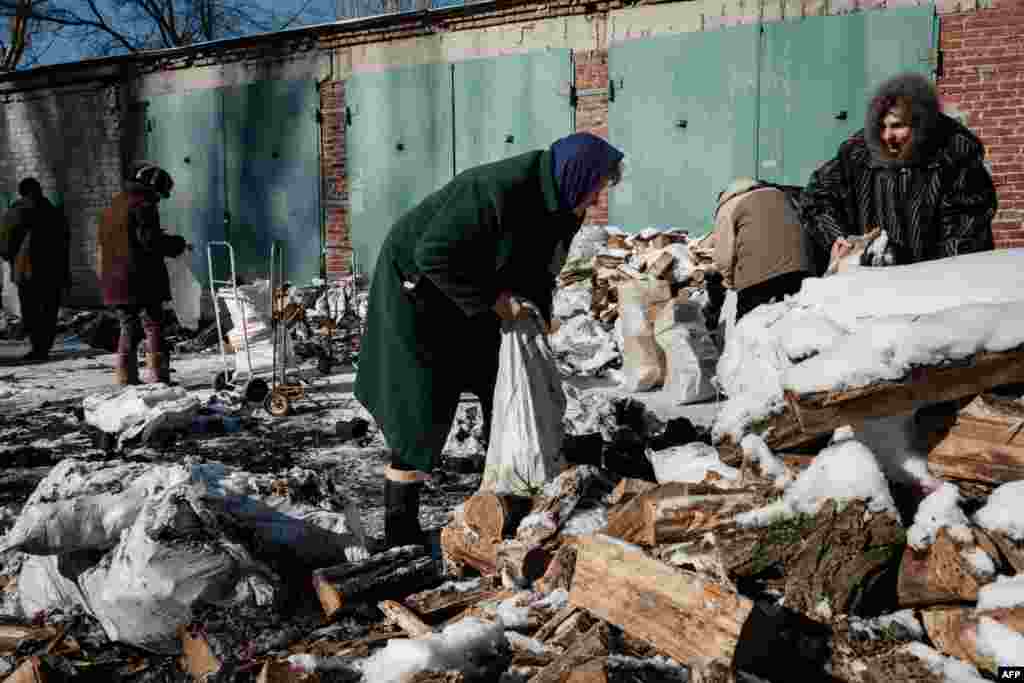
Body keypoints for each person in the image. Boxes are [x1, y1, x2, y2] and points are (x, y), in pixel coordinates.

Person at [355, 132, 624, 548]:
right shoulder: (495, 189)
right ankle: (399, 530)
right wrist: (497, 301)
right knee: (421, 406)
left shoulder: (565, 206)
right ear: (576, 174)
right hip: (418, 291)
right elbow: (435, 254)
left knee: (501, 380)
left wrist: (536, 320)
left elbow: (542, 269)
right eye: (596, 189)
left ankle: (505, 498)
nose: (595, 201)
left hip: (475, 289)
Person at [802, 72, 997, 274]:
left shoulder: (954, 155)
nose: (887, 136)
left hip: (933, 281)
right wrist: (839, 239)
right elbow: (818, 197)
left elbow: (964, 232)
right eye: (881, 126)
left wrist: (922, 273)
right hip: (867, 277)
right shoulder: (858, 153)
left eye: (897, 126)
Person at [98, 161, 189, 385]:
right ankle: (159, 376)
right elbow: (150, 241)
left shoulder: (115, 205)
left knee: (128, 325)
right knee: (154, 323)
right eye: (159, 194)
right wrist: (176, 244)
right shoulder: (143, 205)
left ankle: (126, 377)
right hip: (140, 278)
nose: (159, 199)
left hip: (114, 278)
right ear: (151, 187)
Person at [709, 178, 815, 321]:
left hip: (757, 280)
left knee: (748, 330)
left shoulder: (727, 206)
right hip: (800, 270)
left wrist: (729, 282)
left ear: (724, 196)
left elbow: (723, 256)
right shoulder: (780, 194)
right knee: (795, 324)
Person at [0, 178, 70, 362]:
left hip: (27, 271)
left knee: (31, 309)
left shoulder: (16, 212)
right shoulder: (54, 212)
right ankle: (44, 346)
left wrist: (10, 258)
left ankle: (37, 346)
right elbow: (65, 242)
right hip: (53, 270)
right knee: (49, 309)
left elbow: (6, 243)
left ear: (21, 192)